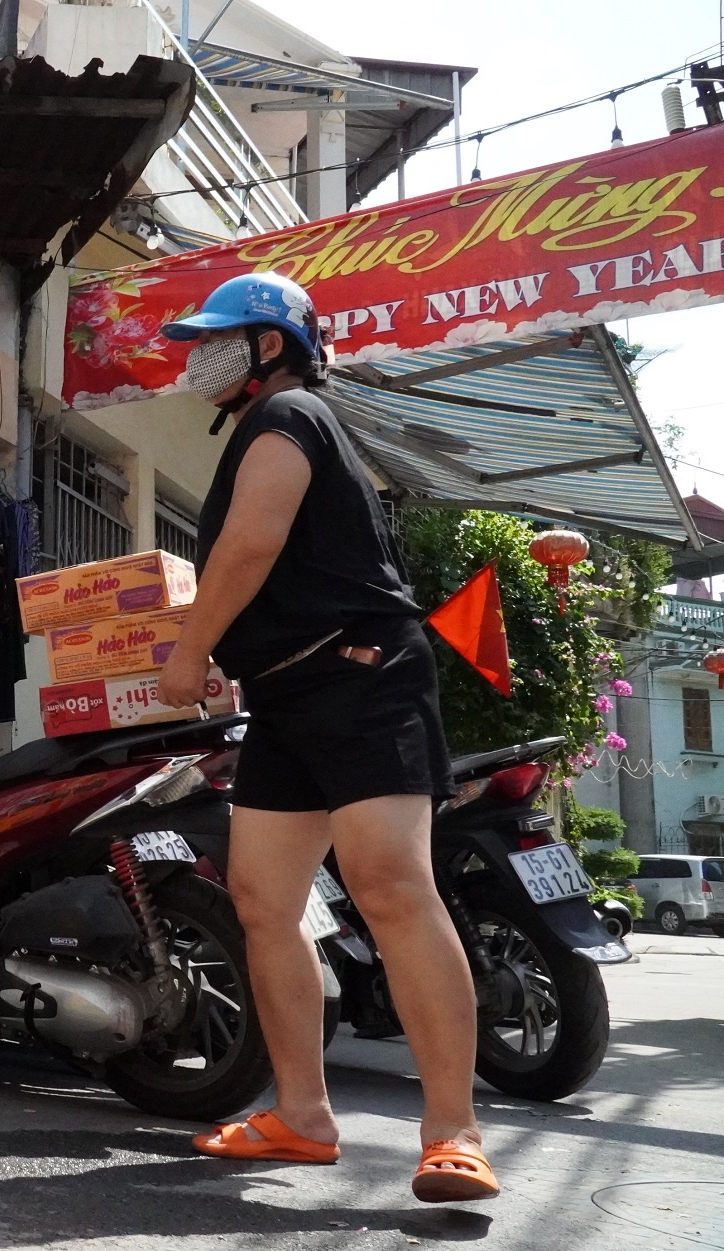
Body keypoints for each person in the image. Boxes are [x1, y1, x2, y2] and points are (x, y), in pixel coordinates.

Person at [152, 272, 495, 1202]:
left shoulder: (289, 414)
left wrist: (190, 654)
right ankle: (300, 1117)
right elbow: (268, 569)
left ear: (272, 346)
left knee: (389, 883)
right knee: (263, 901)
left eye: (218, 338)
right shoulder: (274, 422)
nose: (198, 356)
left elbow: (252, 543)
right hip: (290, 691)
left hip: (362, 672)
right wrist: (232, 654)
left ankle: (453, 1132)